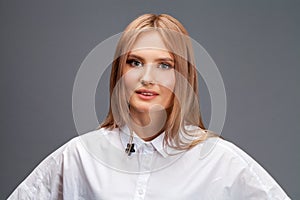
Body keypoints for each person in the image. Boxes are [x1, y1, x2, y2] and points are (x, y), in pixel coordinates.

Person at [8, 14, 290, 200]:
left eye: (164, 65)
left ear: (183, 77)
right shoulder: (80, 156)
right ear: (120, 72)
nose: (147, 78)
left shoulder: (220, 161)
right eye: (135, 62)